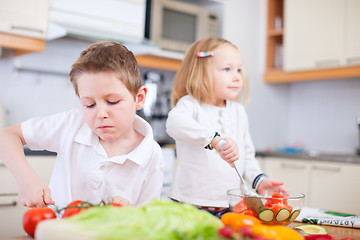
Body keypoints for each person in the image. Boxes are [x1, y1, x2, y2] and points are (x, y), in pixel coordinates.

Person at [0, 41, 164, 209]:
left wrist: (128, 212)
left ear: (139, 98)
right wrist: (26, 180)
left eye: (112, 101)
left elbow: (147, 221)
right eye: (89, 105)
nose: (101, 114)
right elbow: (6, 136)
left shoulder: (152, 154)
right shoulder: (71, 124)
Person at [166, 37, 287, 215]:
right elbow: (174, 124)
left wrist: (259, 181)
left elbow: (246, 157)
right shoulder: (191, 105)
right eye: (227, 69)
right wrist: (214, 139)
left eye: (239, 69)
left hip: (230, 207)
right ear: (201, 72)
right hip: (189, 205)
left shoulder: (238, 111)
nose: (237, 76)